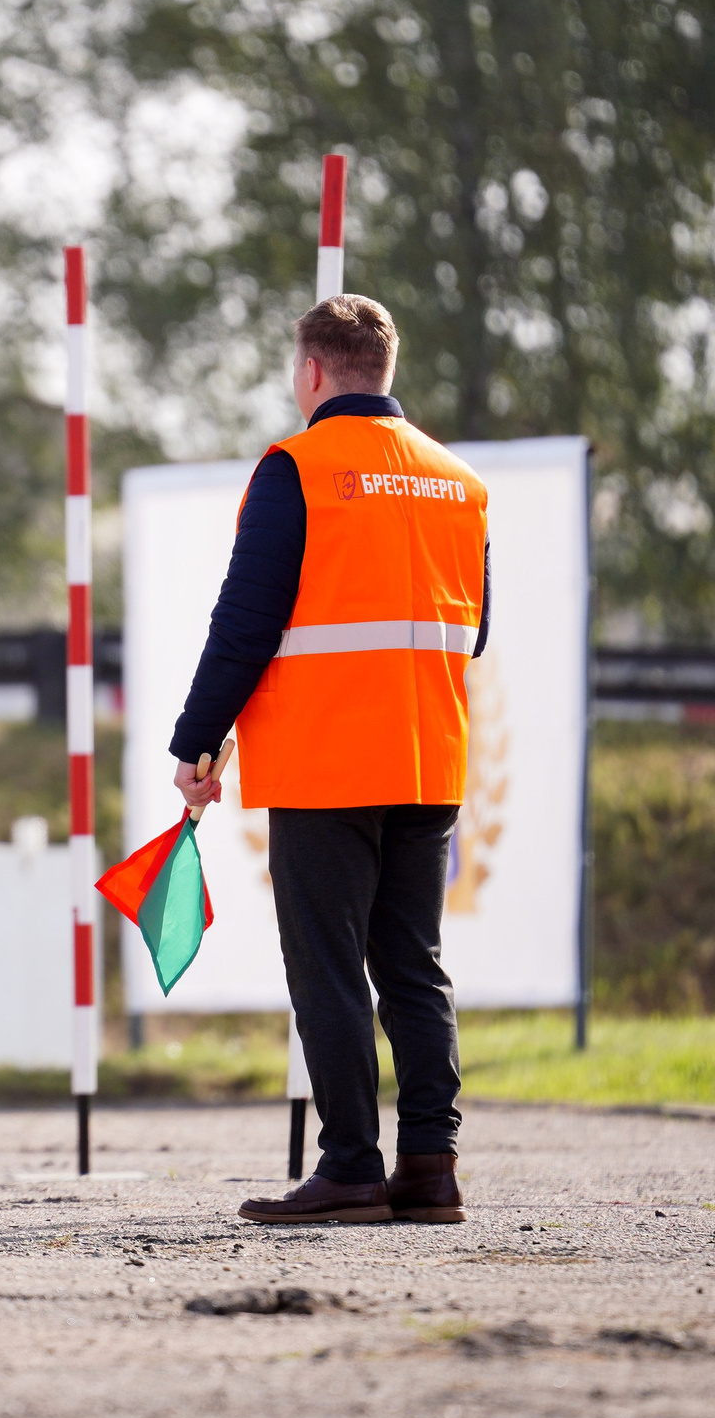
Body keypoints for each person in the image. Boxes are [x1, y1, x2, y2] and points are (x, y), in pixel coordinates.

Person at [168, 293, 489, 1226]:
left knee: (329, 967)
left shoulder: (296, 469)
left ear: (310, 372)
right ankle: (431, 1166)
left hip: (324, 764)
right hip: (429, 758)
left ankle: (350, 1164)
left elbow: (245, 624)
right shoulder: (458, 482)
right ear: (387, 367)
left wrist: (197, 739)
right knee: (414, 966)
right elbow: (475, 633)